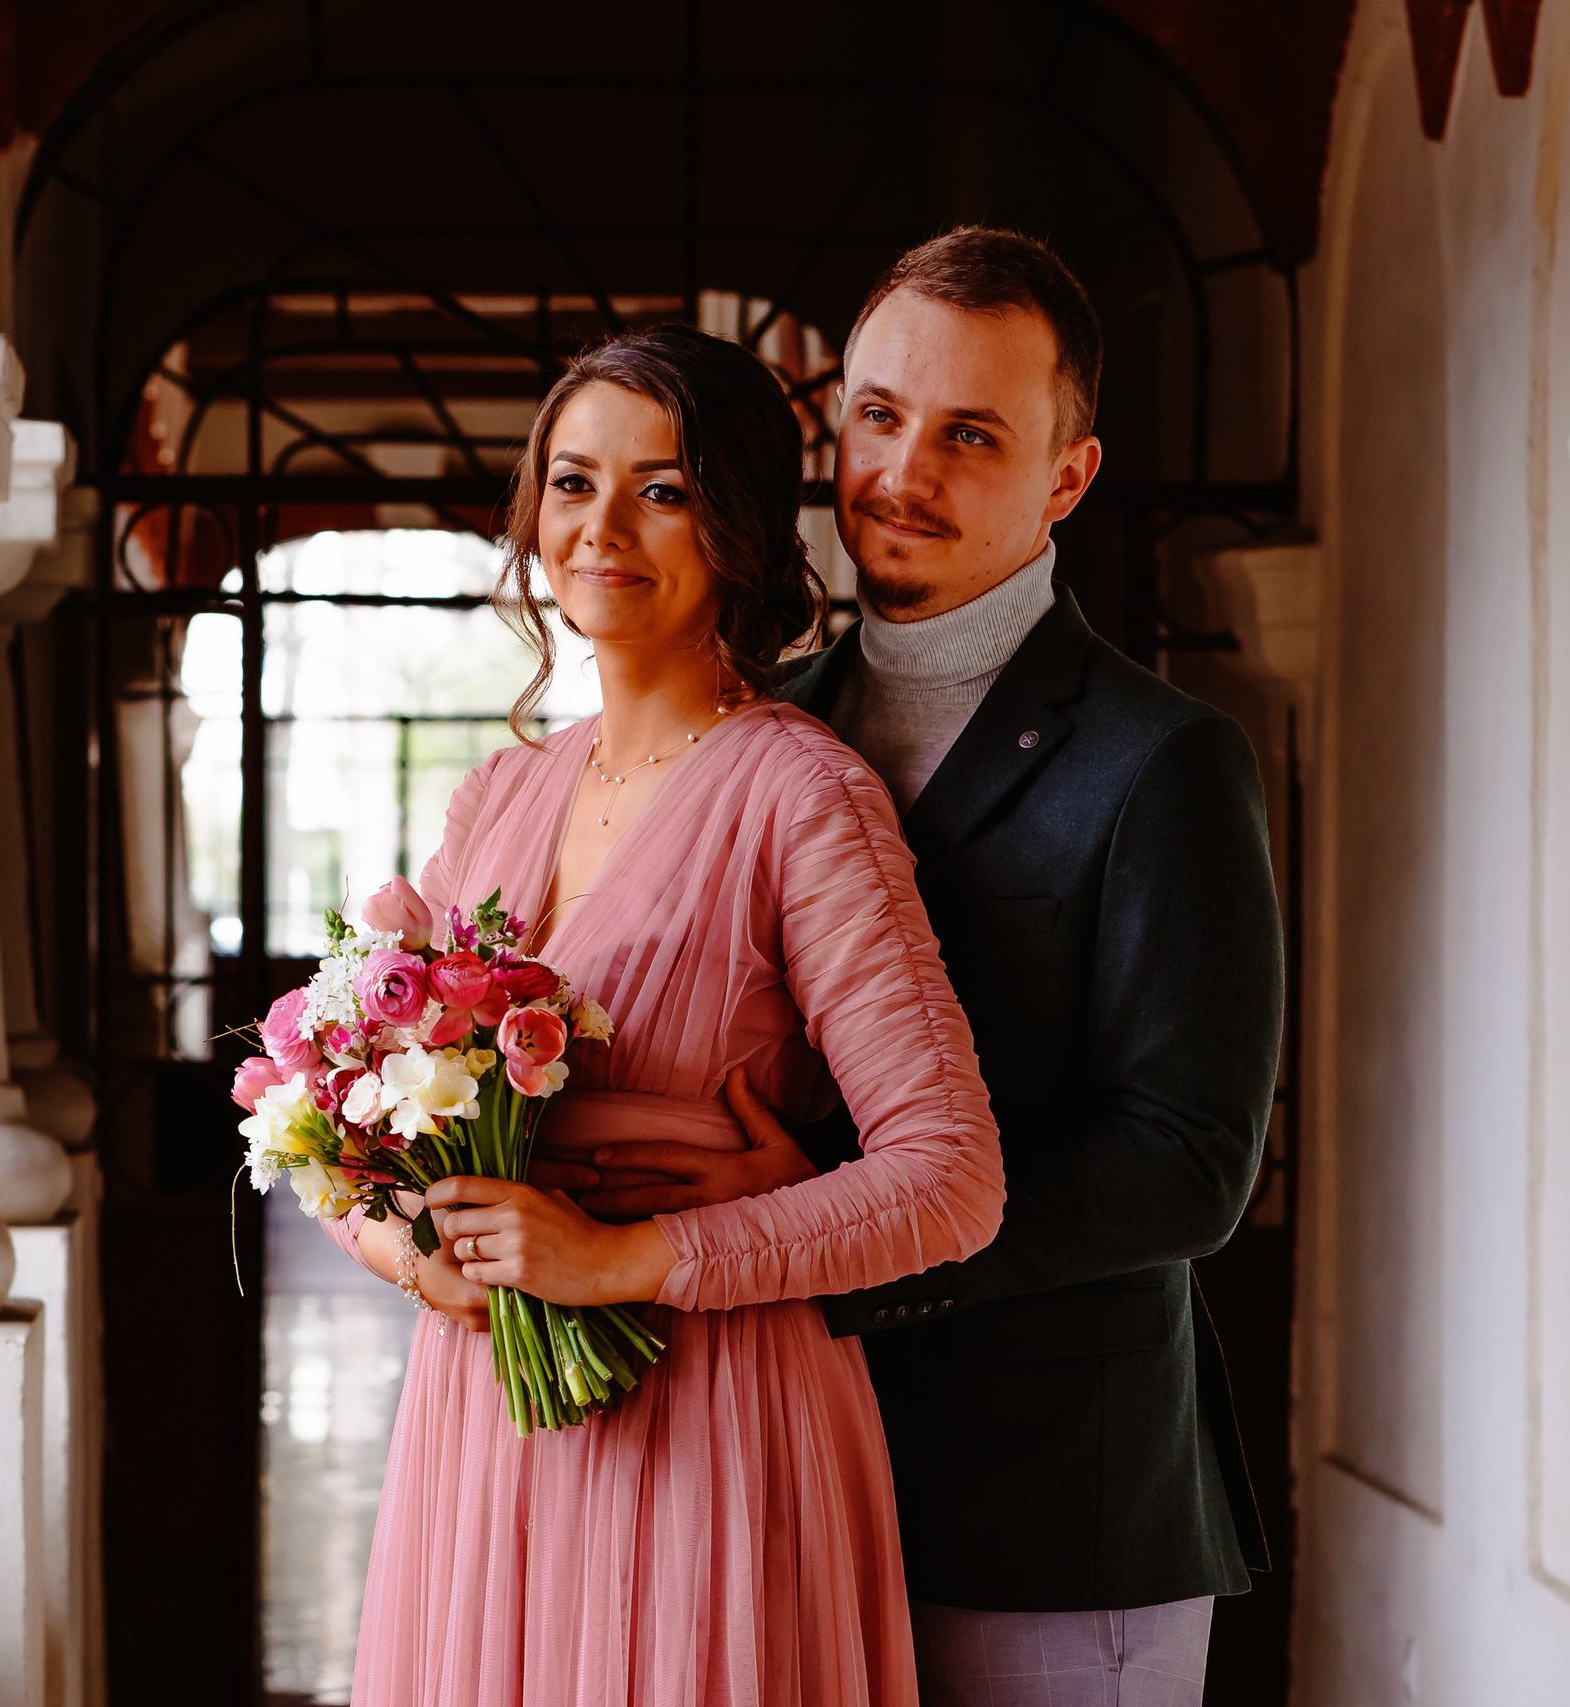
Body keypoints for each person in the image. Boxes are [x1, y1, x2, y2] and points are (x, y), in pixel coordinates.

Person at [545, 230, 1284, 1706]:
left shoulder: (1165, 761)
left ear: (1066, 476)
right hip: (781, 1480)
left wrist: (830, 1249)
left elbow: (1190, 1164)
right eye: (880, 416)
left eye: (970, 436)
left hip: (1051, 1517)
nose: (902, 472)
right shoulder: (761, 728)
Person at [323, 322, 1007, 1706]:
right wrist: (415, 1257)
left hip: (711, 1418)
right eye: (573, 484)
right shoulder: (496, 799)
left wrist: (625, 1262)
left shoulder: (803, 798)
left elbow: (950, 1181)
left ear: (742, 525)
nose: (603, 528)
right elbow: (344, 1127)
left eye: (665, 488)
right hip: (485, 1425)